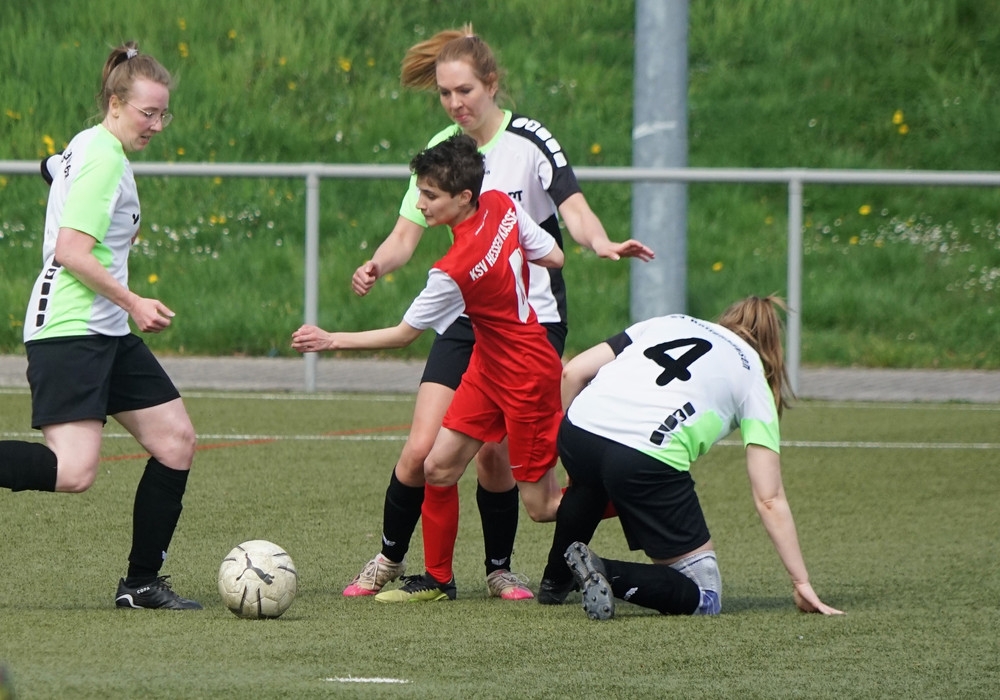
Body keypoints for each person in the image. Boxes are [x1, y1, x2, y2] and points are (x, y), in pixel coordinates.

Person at [344, 24, 654, 602]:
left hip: (529, 323)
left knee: (495, 456)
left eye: (464, 91)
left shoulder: (530, 140)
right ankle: (394, 562)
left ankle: (499, 568)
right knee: (424, 453)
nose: (455, 104)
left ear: (491, 84)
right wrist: (376, 266)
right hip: (468, 315)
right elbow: (404, 237)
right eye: (444, 93)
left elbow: (574, 213)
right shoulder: (447, 151)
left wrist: (603, 243)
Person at [293, 134, 566, 602]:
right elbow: (554, 256)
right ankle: (439, 580)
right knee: (438, 464)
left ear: (463, 198)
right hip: (489, 362)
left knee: (544, 507)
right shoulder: (499, 202)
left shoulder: (453, 268)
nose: (420, 204)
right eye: (420, 192)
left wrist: (329, 339)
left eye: (430, 196)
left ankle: (625, 492)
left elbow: (402, 336)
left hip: (526, 373)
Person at [0, 42, 201, 610]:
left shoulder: (87, 148)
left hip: (105, 330)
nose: (157, 124)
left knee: (175, 441)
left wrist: (59, 174)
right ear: (115, 103)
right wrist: (135, 300)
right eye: (148, 112)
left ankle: (140, 584)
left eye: (164, 113)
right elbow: (71, 250)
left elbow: (54, 167)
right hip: (71, 327)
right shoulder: (105, 155)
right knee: (74, 471)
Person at [538, 296, 844, 619]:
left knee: (591, 483)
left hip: (578, 427)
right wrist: (801, 581)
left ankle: (554, 581)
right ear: (772, 349)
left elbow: (572, 373)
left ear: (726, 319)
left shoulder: (668, 321)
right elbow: (769, 498)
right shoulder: (753, 373)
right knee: (705, 595)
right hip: (642, 456)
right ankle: (603, 570)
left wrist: (575, 456)